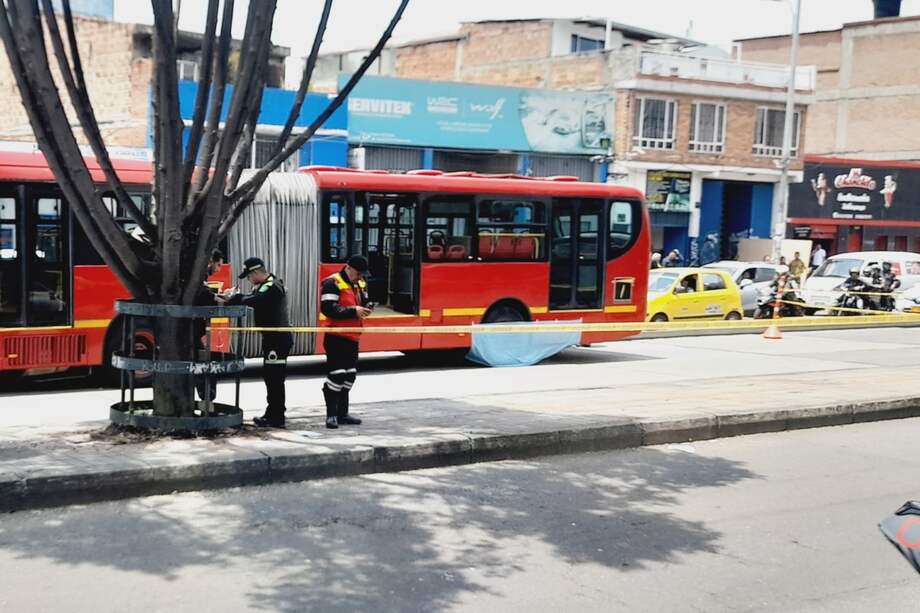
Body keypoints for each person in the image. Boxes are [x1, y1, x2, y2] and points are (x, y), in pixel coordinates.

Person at [220, 257, 293, 428]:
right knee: (270, 376)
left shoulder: (272, 286)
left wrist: (234, 298)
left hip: (277, 339)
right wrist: (235, 297)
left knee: (275, 378)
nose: (248, 279)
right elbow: (251, 296)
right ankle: (273, 412)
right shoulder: (264, 285)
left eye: (248, 276)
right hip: (272, 338)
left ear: (256, 273)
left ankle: (277, 417)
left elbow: (255, 300)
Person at [320, 254, 372, 429]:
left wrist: (366, 307)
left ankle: (343, 414)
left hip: (353, 336)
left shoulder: (360, 282)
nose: (360, 277)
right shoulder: (332, 283)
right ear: (348, 268)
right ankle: (331, 415)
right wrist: (353, 311)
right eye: (358, 273)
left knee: (350, 375)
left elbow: (363, 300)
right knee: (337, 375)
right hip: (336, 337)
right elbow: (328, 309)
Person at [193, 249, 225, 403]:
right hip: (191, 327)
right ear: (211, 260)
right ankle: (207, 397)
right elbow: (200, 293)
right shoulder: (199, 272)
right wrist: (218, 298)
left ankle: (206, 397)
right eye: (218, 265)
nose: (218, 269)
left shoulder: (199, 272)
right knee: (203, 361)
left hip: (194, 327)